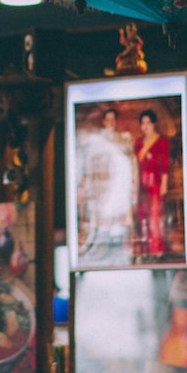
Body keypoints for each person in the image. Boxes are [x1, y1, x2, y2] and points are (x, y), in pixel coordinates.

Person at [77, 107, 138, 259]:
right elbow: (91, 163)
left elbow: (132, 163)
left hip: (119, 184)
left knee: (120, 221)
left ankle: (123, 253)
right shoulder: (97, 140)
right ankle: (101, 252)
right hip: (102, 186)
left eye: (113, 120)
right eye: (108, 120)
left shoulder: (123, 139)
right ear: (104, 122)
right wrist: (89, 182)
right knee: (102, 222)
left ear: (116, 122)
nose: (110, 123)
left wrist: (132, 184)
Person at [134, 108, 170, 257]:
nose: (146, 126)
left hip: (155, 183)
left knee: (155, 216)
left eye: (148, 123)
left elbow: (165, 163)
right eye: (143, 123)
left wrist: (164, 183)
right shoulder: (138, 143)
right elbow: (135, 164)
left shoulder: (161, 141)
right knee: (142, 216)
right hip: (141, 183)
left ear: (154, 124)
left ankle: (157, 249)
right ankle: (146, 249)